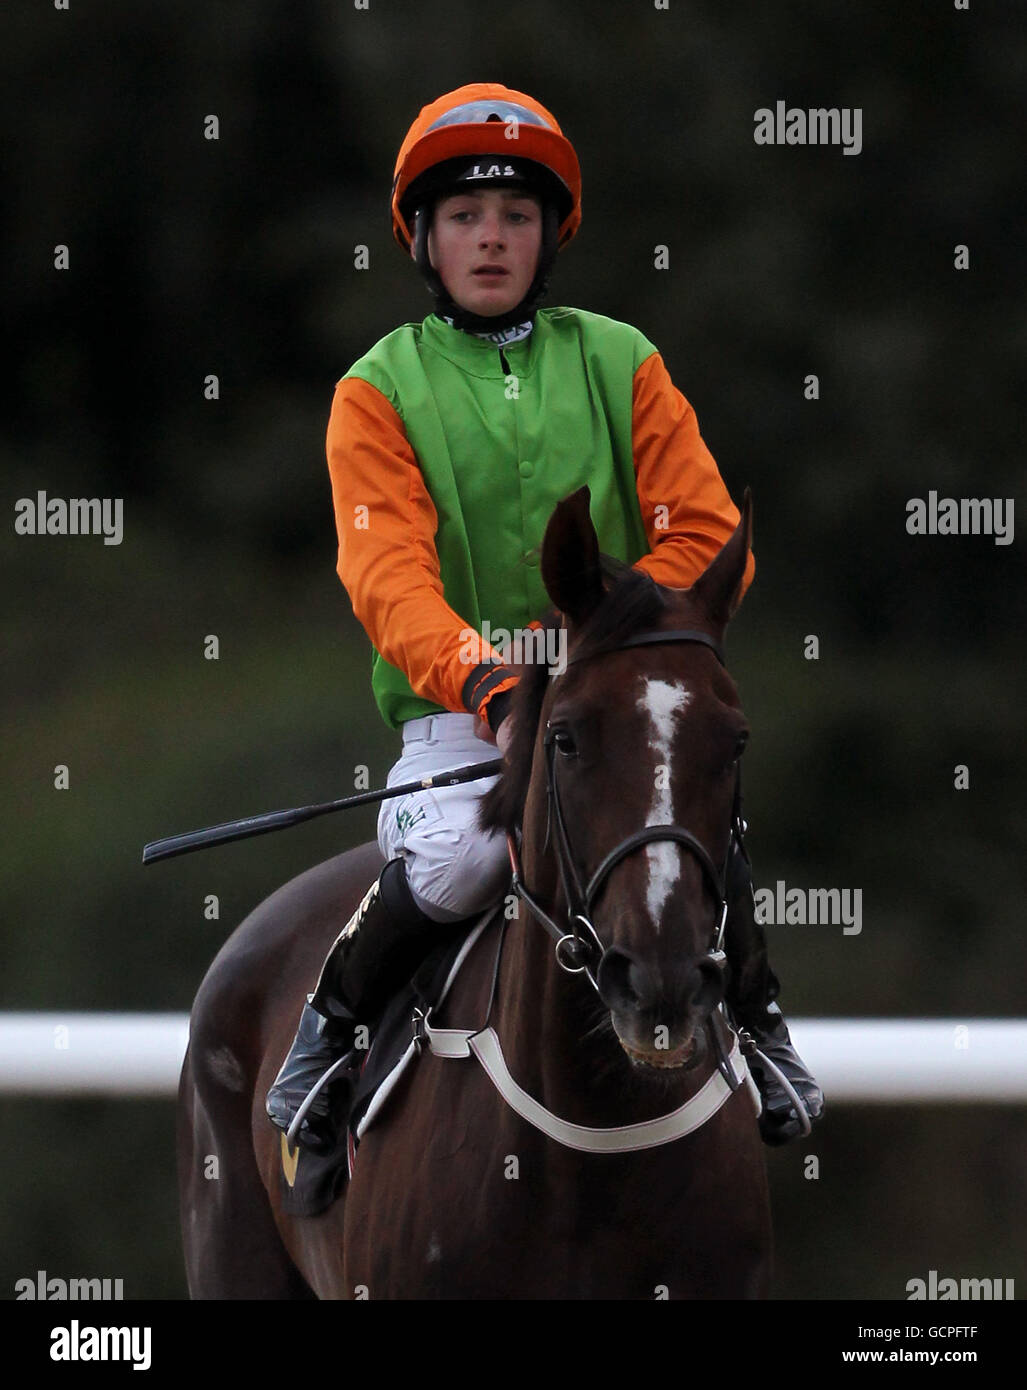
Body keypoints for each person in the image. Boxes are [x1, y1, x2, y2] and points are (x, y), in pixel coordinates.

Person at [266, 83, 823, 1152]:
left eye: (516, 216)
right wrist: (493, 683)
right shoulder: (374, 390)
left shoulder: (622, 360)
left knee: (688, 829)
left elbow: (702, 536)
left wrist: (596, 654)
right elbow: (388, 579)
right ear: (423, 238)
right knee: (459, 866)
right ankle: (328, 1034)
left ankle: (757, 1025)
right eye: (466, 218)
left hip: (609, 702)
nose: (491, 240)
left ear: (549, 234)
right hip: (457, 723)